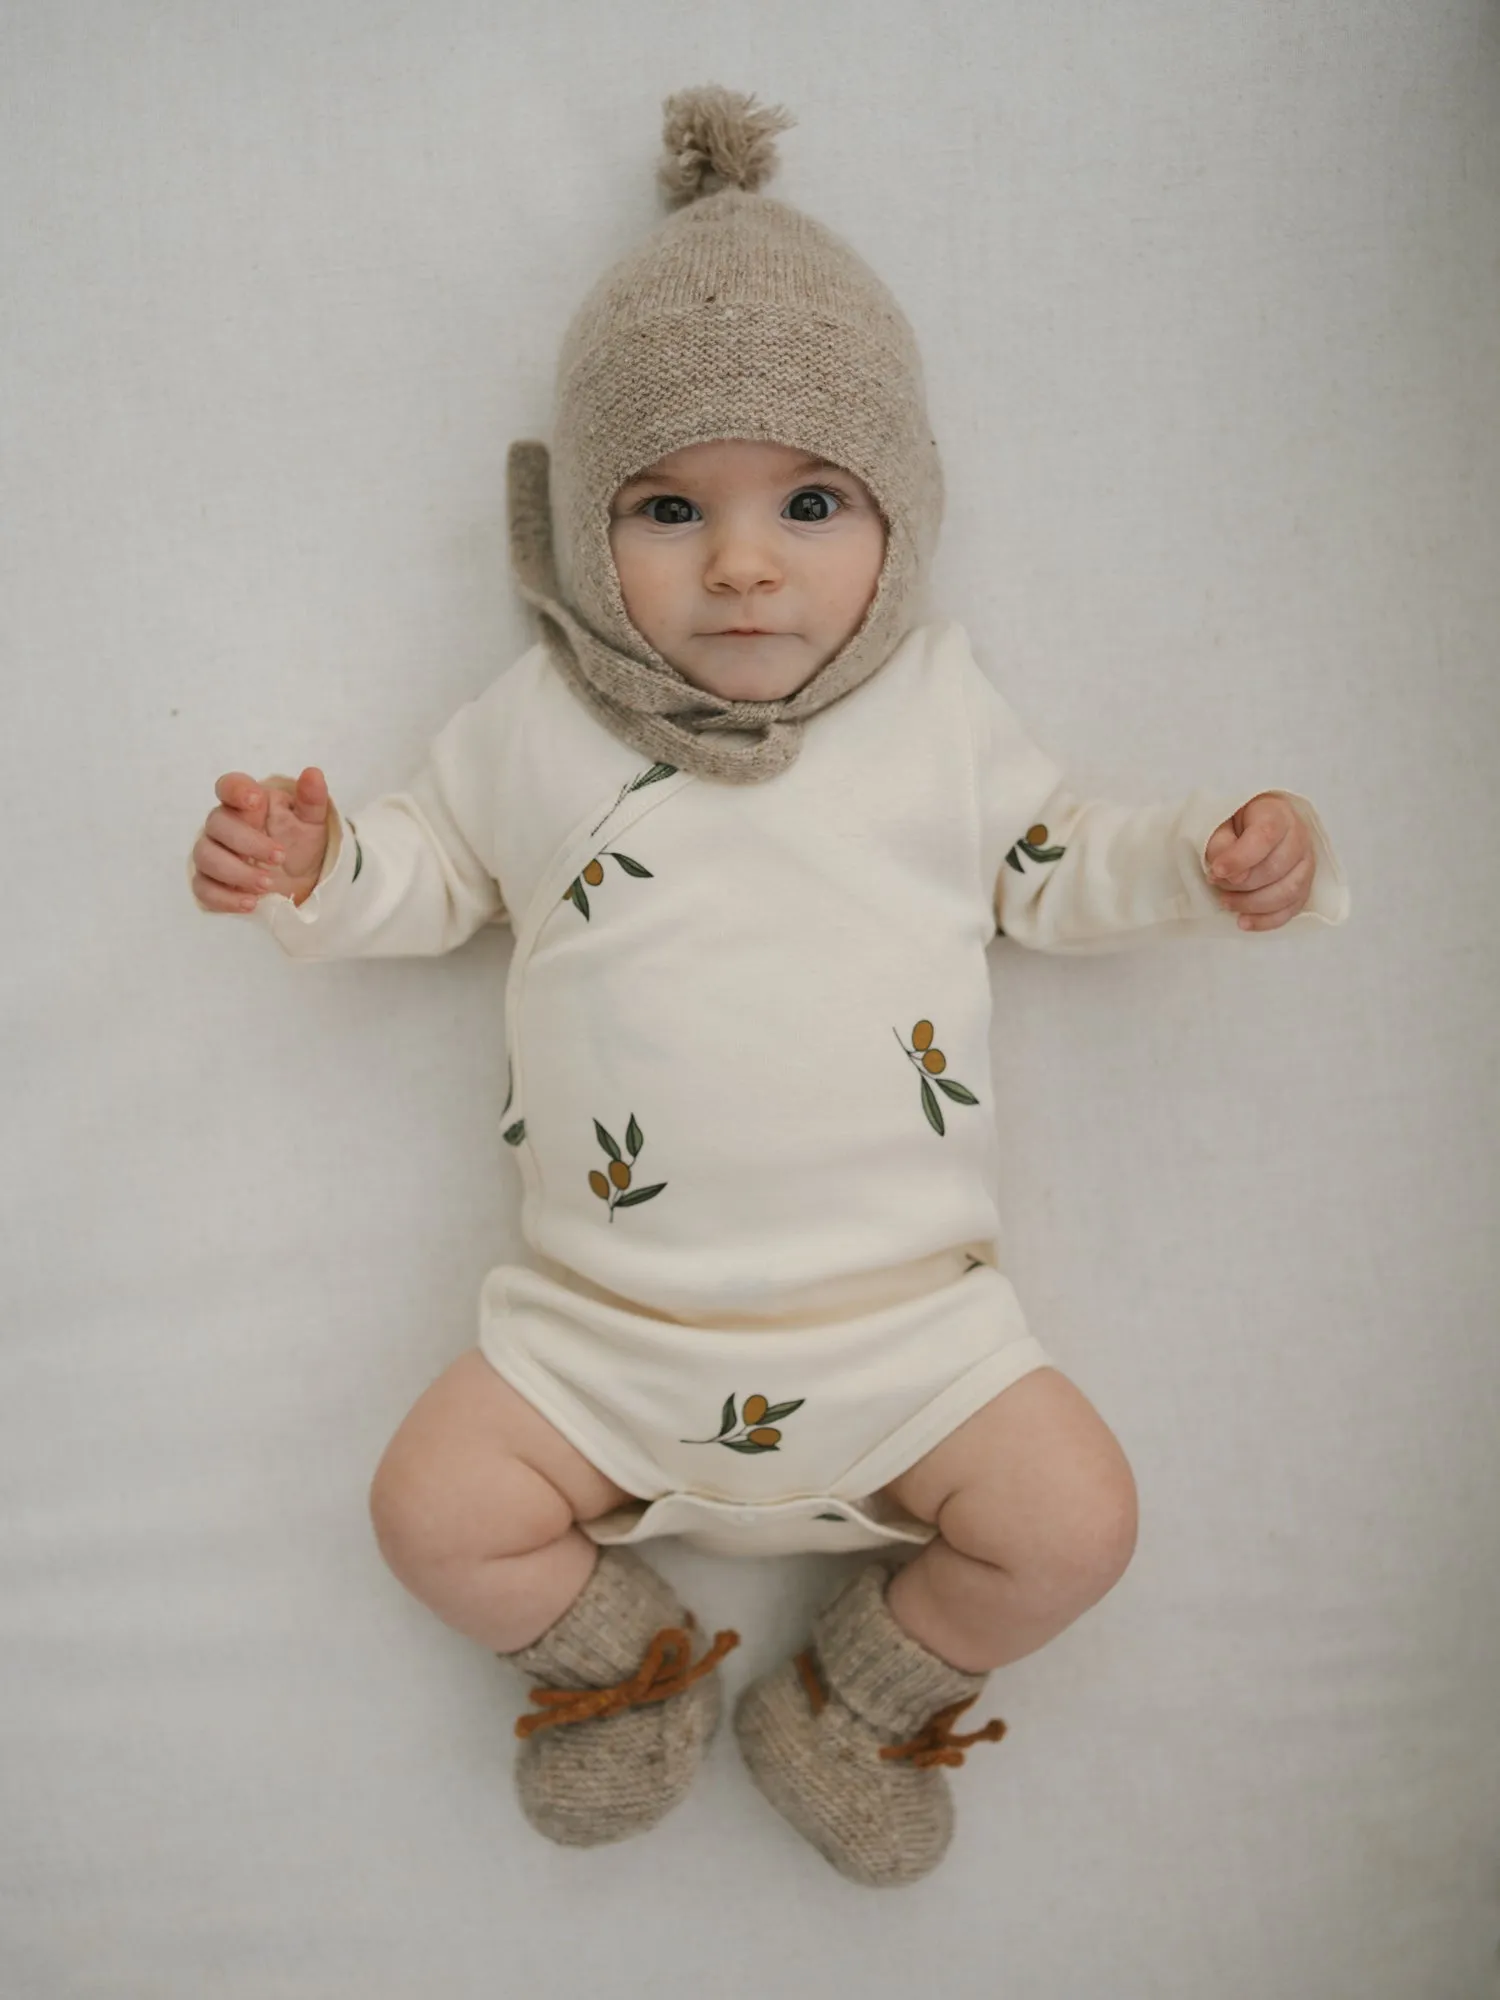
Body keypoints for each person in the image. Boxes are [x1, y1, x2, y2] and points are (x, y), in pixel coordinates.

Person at [187, 86, 1350, 1888]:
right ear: (577, 533)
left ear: (906, 518)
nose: (743, 562)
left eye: (811, 501)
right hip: (596, 1330)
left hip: (910, 1337)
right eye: (668, 508)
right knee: (427, 1512)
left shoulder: (936, 717)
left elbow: (1052, 861)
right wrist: (311, 866)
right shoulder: (535, 728)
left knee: (1076, 1524)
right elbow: (427, 873)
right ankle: (622, 1665)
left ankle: (855, 1699)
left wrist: (1204, 857)